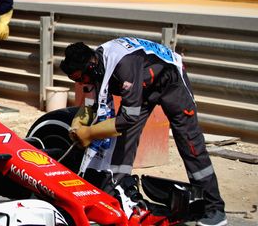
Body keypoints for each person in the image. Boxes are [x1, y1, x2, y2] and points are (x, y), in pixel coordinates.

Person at [60, 38, 227, 226]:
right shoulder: (94, 68)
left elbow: (128, 118)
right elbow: (90, 106)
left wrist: (90, 133)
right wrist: (76, 125)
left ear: (91, 66)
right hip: (144, 86)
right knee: (124, 139)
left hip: (170, 80)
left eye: (80, 78)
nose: (80, 82)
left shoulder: (123, 65)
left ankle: (215, 209)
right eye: (75, 80)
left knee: (190, 143)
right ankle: (114, 192)